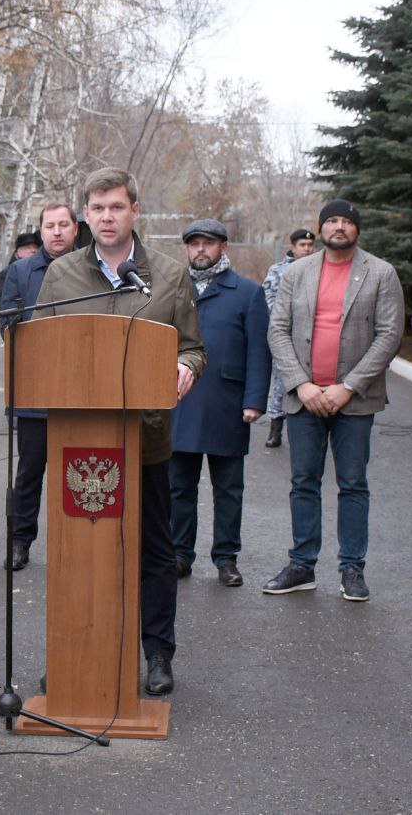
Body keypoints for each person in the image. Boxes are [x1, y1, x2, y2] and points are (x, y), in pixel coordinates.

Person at [34, 168, 206, 696]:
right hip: (76, 443)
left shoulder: (171, 276)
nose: (107, 217)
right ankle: (73, 652)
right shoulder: (61, 275)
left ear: (135, 211)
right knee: (76, 551)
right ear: (86, 214)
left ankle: (157, 654)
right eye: (98, 208)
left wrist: (188, 368)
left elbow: (191, 346)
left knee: (154, 552)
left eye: (116, 207)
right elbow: (38, 347)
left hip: (145, 440)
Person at [263, 200, 404, 602]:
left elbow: (389, 335)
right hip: (304, 399)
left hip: (354, 402)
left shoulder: (381, 273)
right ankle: (302, 565)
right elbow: (278, 330)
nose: (339, 227)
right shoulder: (297, 272)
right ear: (321, 228)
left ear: (356, 229)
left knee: (353, 484)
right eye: (332, 221)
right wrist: (301, 384)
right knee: (303, 482)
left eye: (346, 221)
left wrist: (349, 386)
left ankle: (352, 569)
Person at [169, 218, 271, 586]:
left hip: (228, 403)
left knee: (229, 489)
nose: (200, 250)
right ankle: (179, 554)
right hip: (179, 401)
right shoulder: (172, 289)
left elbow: (259, 352)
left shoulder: (247, 293)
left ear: (223, 247)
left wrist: (254, 400)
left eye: (208, 243)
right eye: (194, 243)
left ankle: (226, 558)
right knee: (179, 485)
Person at [0, 203, 78, 570]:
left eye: (64, 225)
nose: (57, 232)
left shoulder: (93, 268)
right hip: (36, 391)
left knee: (79, 472)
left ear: (76, 229)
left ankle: (75, 541)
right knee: (29, 473)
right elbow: (8, 327)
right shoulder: (21, 271)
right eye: (50, 226)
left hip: (82, 395)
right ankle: (20, 542)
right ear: (41, 231)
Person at [263, 228, 317, 447]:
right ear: (292, 247)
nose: (307, 249)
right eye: (302, 245)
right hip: (285, 336)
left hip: (312, 338)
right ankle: (276, 426)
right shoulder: (278, 271)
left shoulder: (318, 270)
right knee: (282, 383)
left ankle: (307, 429)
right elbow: (270, 301)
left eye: (310, 245)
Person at [0, 231, 41, 311]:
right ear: (19, 252)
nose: (33, 250)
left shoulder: (40, 270)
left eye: (35, 247)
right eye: (28, 247)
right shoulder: (7, 273)